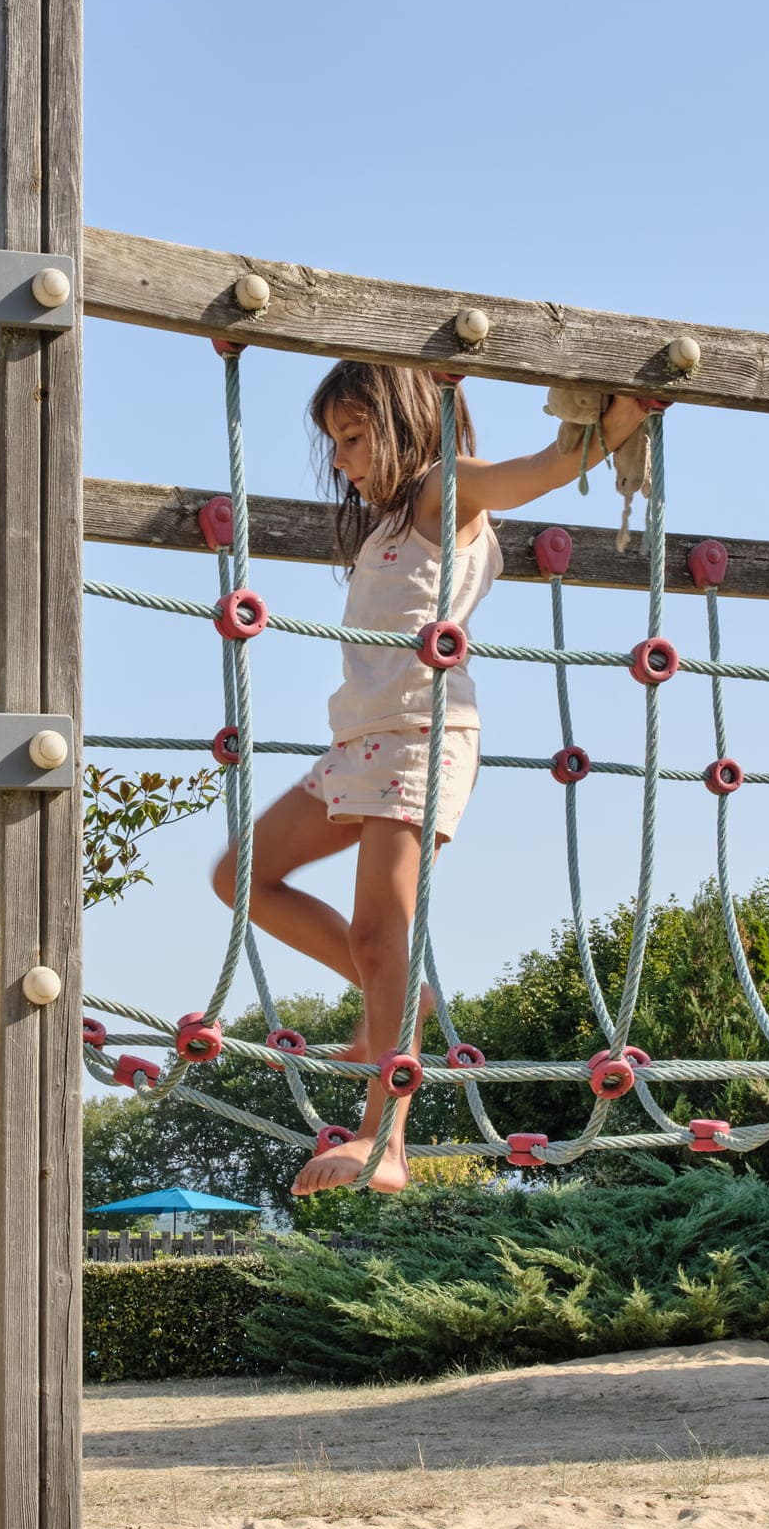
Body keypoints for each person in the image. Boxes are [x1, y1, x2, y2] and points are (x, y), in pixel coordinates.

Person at [212, 362, 649, 1195]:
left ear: (406, 421)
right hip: (359, 743)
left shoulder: (441, 494)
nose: (341, 460)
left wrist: (607, 427)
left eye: (352, 436)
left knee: (385, 933)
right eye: (332, 444)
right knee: (240, 877)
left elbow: (536, 472)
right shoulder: (384, 526)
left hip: (422, 738)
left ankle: (386, 1143)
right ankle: (393, 1010)